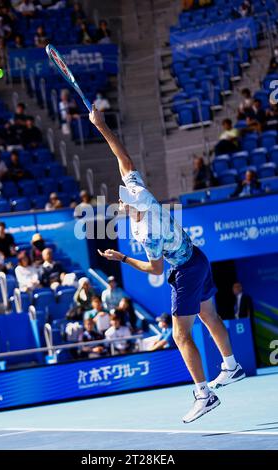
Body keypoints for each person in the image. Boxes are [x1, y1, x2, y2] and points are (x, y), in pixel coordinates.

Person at [89, 105, 245, 423]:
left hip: (185, 270)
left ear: (130, 207)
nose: (119, 200)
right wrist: (101, 126)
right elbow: (125, 160)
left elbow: (156, 271)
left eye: (121, 200)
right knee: (209, 315)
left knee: (180, 335)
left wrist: (122, 259)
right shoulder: (140, 193)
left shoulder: (146, 232)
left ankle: (204, 394)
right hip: (198, 258)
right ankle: (231, 365)